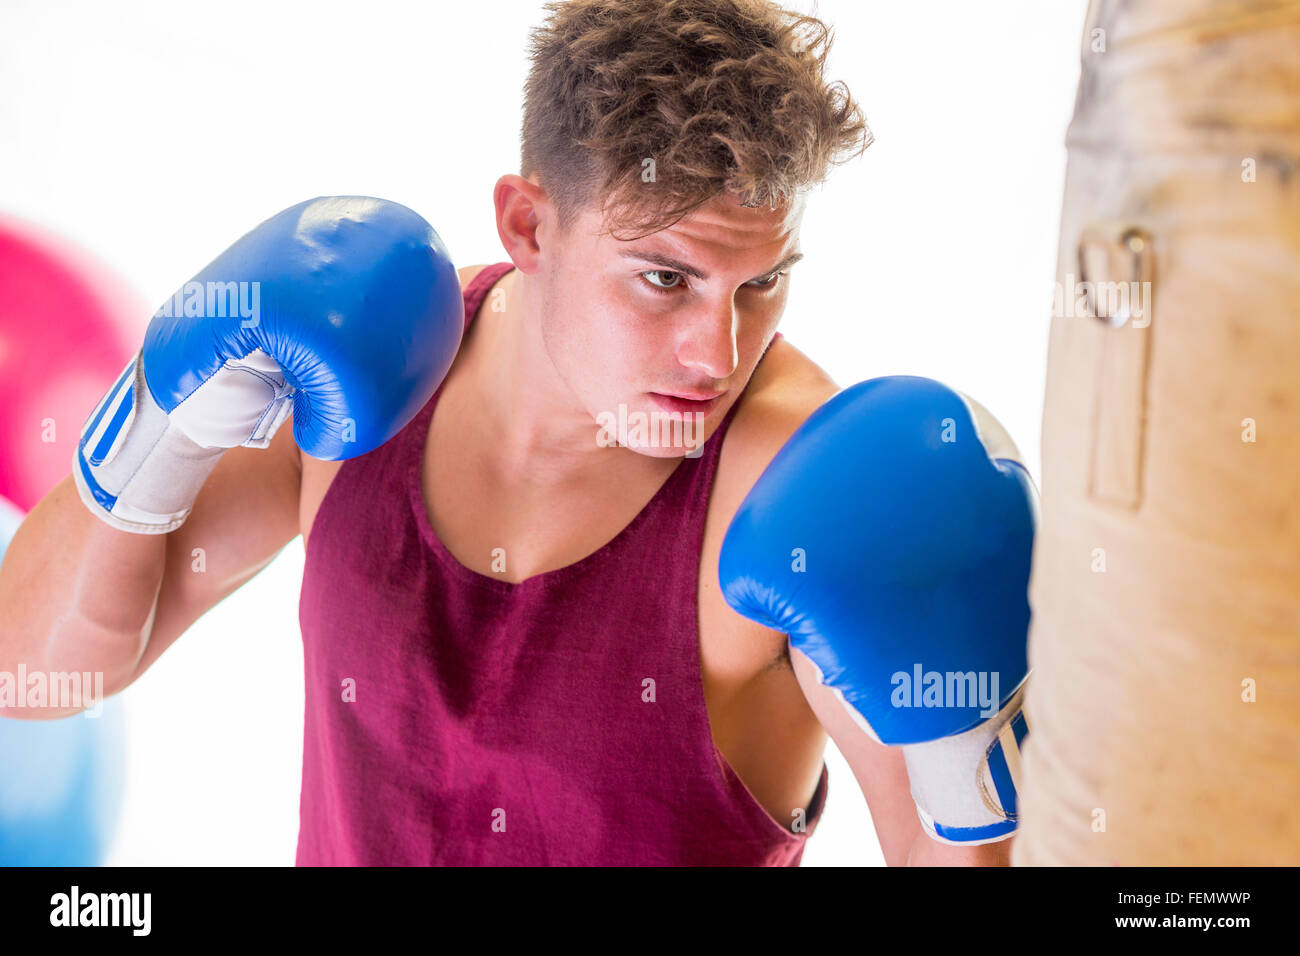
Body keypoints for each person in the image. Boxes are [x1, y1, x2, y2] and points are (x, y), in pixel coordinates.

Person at [0, 0, 1031, 866]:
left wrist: (971, 744)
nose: (718, 352)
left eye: (761, 284)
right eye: (665, 279)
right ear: (528, 226)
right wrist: (154, 422)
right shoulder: (366, 371)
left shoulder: (798, 485)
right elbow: (34, 673)